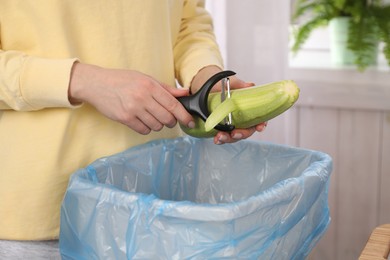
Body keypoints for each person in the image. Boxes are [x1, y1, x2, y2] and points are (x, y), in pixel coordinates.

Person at [0, 0, 266, 252]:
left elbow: (187, 23)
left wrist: (207, 78)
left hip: (156, 203)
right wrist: (85, 81)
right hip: (44, 214)